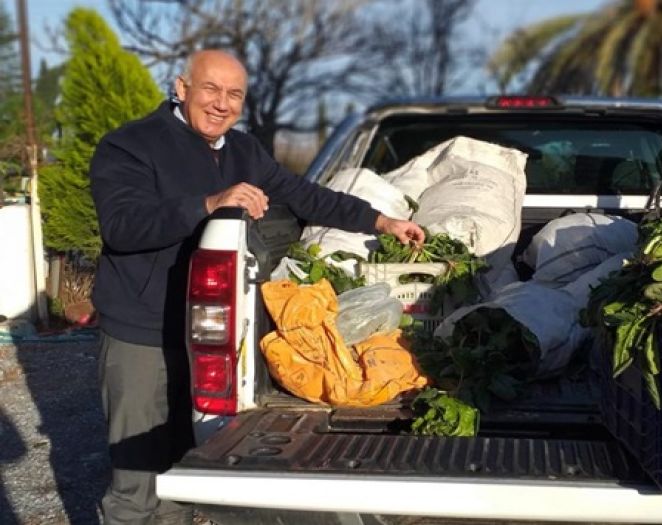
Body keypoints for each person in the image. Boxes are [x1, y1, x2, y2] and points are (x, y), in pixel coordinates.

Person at [88, 49, 424, 525]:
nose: (221, 103)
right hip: (145, 333)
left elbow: (305, 195)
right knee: (137, 477)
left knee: (186, 472)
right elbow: (123, 225)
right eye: (210, 89)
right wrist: (209, 202)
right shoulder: (131, 145)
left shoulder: (244, 151)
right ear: (181, 88)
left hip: (212, 339)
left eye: (234, 94)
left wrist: (381, 220)